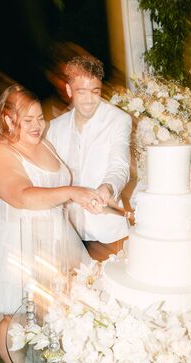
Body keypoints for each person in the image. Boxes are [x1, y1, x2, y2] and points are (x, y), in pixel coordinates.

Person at [0, 84, 103, 363]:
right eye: (26, 118)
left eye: (39, 117)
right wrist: (73, 192)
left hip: (56, 239)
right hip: (18, 242)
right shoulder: (0, 153)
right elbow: (22, 196)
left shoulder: (45, 144)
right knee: (13, 317)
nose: (36, 125)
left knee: (56, 310)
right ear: (7, 119)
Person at [46, 55, 132, 260]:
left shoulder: (119, 120)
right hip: (66, 231)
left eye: (95, 91)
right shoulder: (54, 128)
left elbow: (120, 165)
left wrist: (108, 187)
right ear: (69, 90)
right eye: (81, 91)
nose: (89, 99)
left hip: (106, 232)